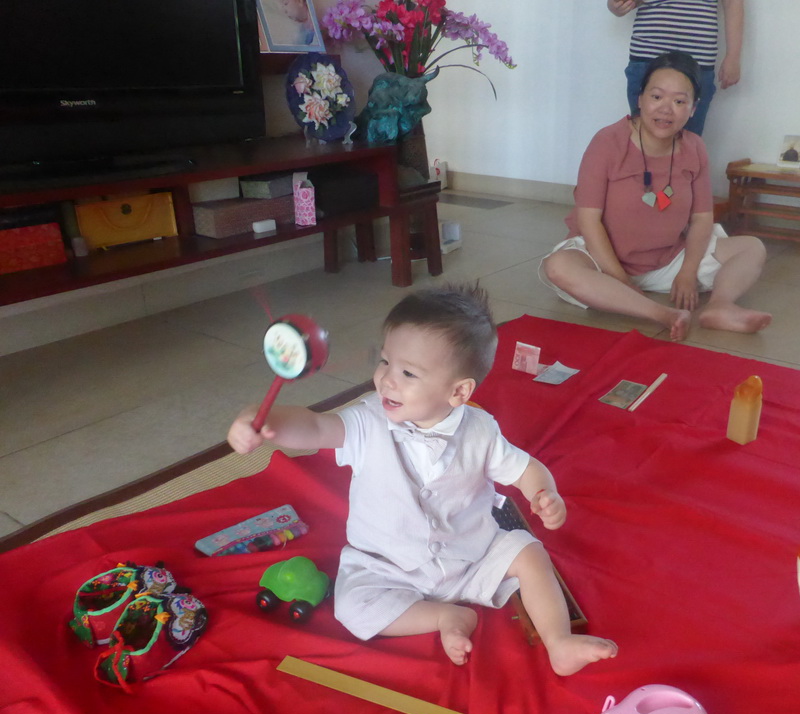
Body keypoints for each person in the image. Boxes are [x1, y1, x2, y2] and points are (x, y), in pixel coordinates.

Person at [227, 284, 618, 676]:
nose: (386, 381)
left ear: (459, 391)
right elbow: (313, 426)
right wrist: (264, 421)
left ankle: (559, 641)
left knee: (531, 555)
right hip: (387, 565)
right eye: (384, 362)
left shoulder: (481, 430)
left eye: (408, 372)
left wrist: (543, 491)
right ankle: (442, 617)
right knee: (351, 607)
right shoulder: (368, 422)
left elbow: (526, 468)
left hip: (471, 555)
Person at [539, 52, 771, 341]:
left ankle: (721, 306)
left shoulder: (694, 147)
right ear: (640, 99)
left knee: (751, 247)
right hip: (601, 259)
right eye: (657, 96)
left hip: (667, 260)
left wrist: (686, 273)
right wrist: (621, 280)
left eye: (679, 101)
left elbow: (701, 219)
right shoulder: (607, 142)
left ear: (693, 108)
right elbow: (589, 220)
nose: (666, 110)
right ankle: (661, 314)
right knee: (559, 266)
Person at [607, 0, 745, 135]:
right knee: (643, 139)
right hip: (647, 57)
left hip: (698, 63)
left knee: (688, 141)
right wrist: (616, 6)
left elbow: (732, 2)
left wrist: (733, 56)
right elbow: (620, 3)